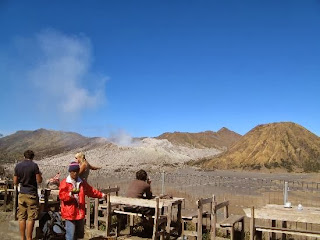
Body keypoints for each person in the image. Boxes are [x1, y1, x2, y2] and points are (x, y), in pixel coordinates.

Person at [59, 161, 107, 240]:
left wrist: (102, 195)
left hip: (79, 212)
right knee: (70, 236)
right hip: (69, 213)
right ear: (70, 172)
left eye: (77, 171)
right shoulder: (64, 183)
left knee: (79, 235)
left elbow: (91, 191)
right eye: (73, 171)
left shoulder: (81, 182)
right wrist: (70, 194)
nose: (75, 173)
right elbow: (62, 196)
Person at [13, 150, 42, 240]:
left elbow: (15, 182)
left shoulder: (18, 166)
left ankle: (23, 238)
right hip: (31, 194)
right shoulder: (34, 166)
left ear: (24, 156)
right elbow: (39, 180)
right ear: (32, 157)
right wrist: (40, 175)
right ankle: (29, 238)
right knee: (31, 217)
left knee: (21, 217)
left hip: (22, 194)